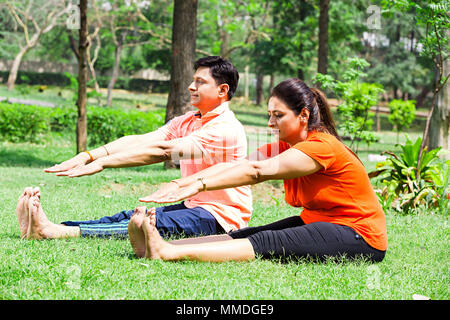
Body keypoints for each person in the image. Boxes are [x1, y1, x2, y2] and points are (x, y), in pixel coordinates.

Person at [126, 78, 388, 263]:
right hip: (322, 221)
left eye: (278, 115)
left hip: (359, 235)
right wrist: (185, 182)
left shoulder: (322, 147)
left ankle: (168, 253)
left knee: (267, 243)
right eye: (270, 114)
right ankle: (159, 245)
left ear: (303, 116)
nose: (270, 122)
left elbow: (256, 171)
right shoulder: (286, 145)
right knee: (247, 234)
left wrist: (200, 185)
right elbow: (239, 164)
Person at [17, 56, 253, 247]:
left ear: (222, 90)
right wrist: (90, 155)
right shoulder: (190, 120)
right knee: (126, 217)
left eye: (200, 82)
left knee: (143, 223)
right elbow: (143, 140)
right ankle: (52, 226)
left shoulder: (225, 129)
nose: (192, 86)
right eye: (193, 80)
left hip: (221, 217)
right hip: (195, 206)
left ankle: (54, 231)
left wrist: (105, 163)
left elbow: (164, 151)